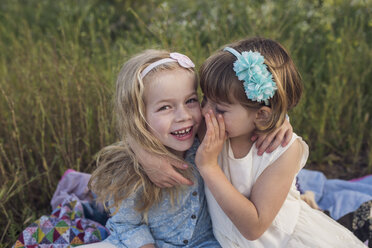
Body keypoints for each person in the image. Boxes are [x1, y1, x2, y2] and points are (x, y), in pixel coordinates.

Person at [194, 37, 366, 247]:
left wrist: (209, 167)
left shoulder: (282, 150)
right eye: (204, 99)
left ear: (262, 116)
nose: (204, 112)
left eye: (219, 109)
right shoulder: (211, 127)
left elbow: (253, 228)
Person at [81, 50, 221, 247]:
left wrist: (279, 123)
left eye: (190, 101)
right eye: (165, 107)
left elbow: (244, 115)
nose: (184, 116)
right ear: (139, 117)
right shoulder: (130, 169)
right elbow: (127, 224)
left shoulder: (206, 143)